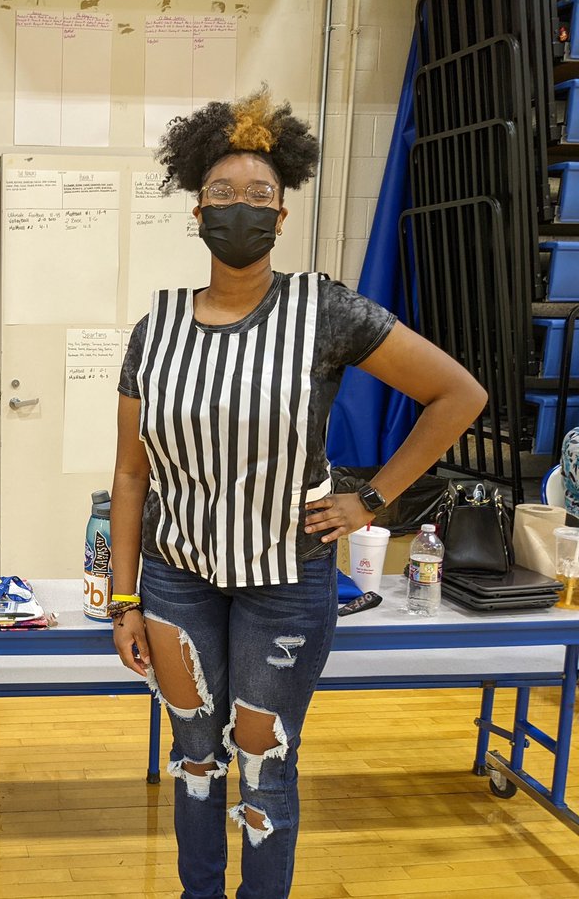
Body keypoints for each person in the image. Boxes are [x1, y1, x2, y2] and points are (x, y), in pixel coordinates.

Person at [109, 87, 487, 898]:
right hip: (177, 581)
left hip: (286, 581)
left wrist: (372, 500)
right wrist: (121, 598)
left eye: (258, 196)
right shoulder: (156, 327)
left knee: (264, 764)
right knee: (195, 761)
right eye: (221, 193)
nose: (237, 207)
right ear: (194, 208)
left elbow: (458, 396)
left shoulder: (325, 310)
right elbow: (132, 471)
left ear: (282, 216)